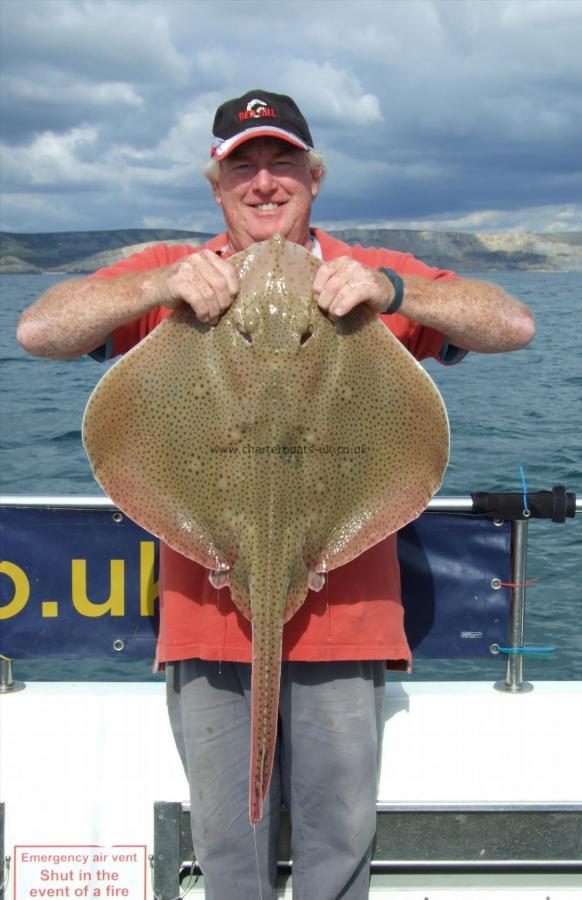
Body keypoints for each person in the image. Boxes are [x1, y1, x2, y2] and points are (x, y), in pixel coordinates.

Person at [17, 90, 535, 899]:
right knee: (229, 854)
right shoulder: (175, 279)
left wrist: (394, 291)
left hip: (346, 626)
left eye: (282, 162)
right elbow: (38, 331)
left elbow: (512, 323)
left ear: (314, 177)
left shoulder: (363, 277)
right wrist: (157, 287)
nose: (263, 182)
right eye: (242, 167)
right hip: (204, 622)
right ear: (216, 187)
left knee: (338, 849)